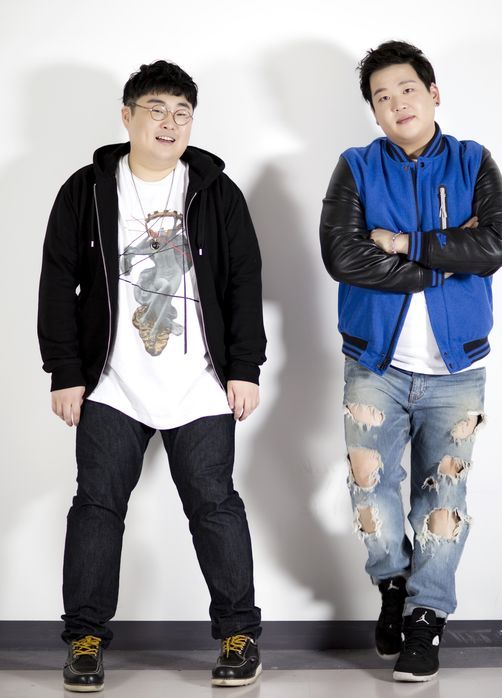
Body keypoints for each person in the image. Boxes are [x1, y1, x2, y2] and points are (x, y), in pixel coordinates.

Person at [38, 60, 266, 691]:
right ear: (127, 115)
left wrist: (244, 368)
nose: (170, 123)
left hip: (202, 383)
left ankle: (239, 634)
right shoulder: (86, 189)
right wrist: (65, 371)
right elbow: (57, 280)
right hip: (111, 382)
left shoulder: (216, 191)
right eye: (157, 109)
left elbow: (245, 281)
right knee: (96, 508)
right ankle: (85, 639)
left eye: (182, 113)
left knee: (215, 506)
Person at [320, 40, 502, 682]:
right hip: (374, 364)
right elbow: (343, 257)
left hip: (456, 370)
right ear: (374, 112)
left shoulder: (472, 160)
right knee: (369, 493)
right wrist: (443, 262)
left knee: (443, 497)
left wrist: (404, 244)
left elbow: (495, 244)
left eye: (407, 89)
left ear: (433, 94)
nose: (397, 103)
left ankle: (426, 619)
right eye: (382, 97)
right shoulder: (356, 167)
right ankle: (393, 585)